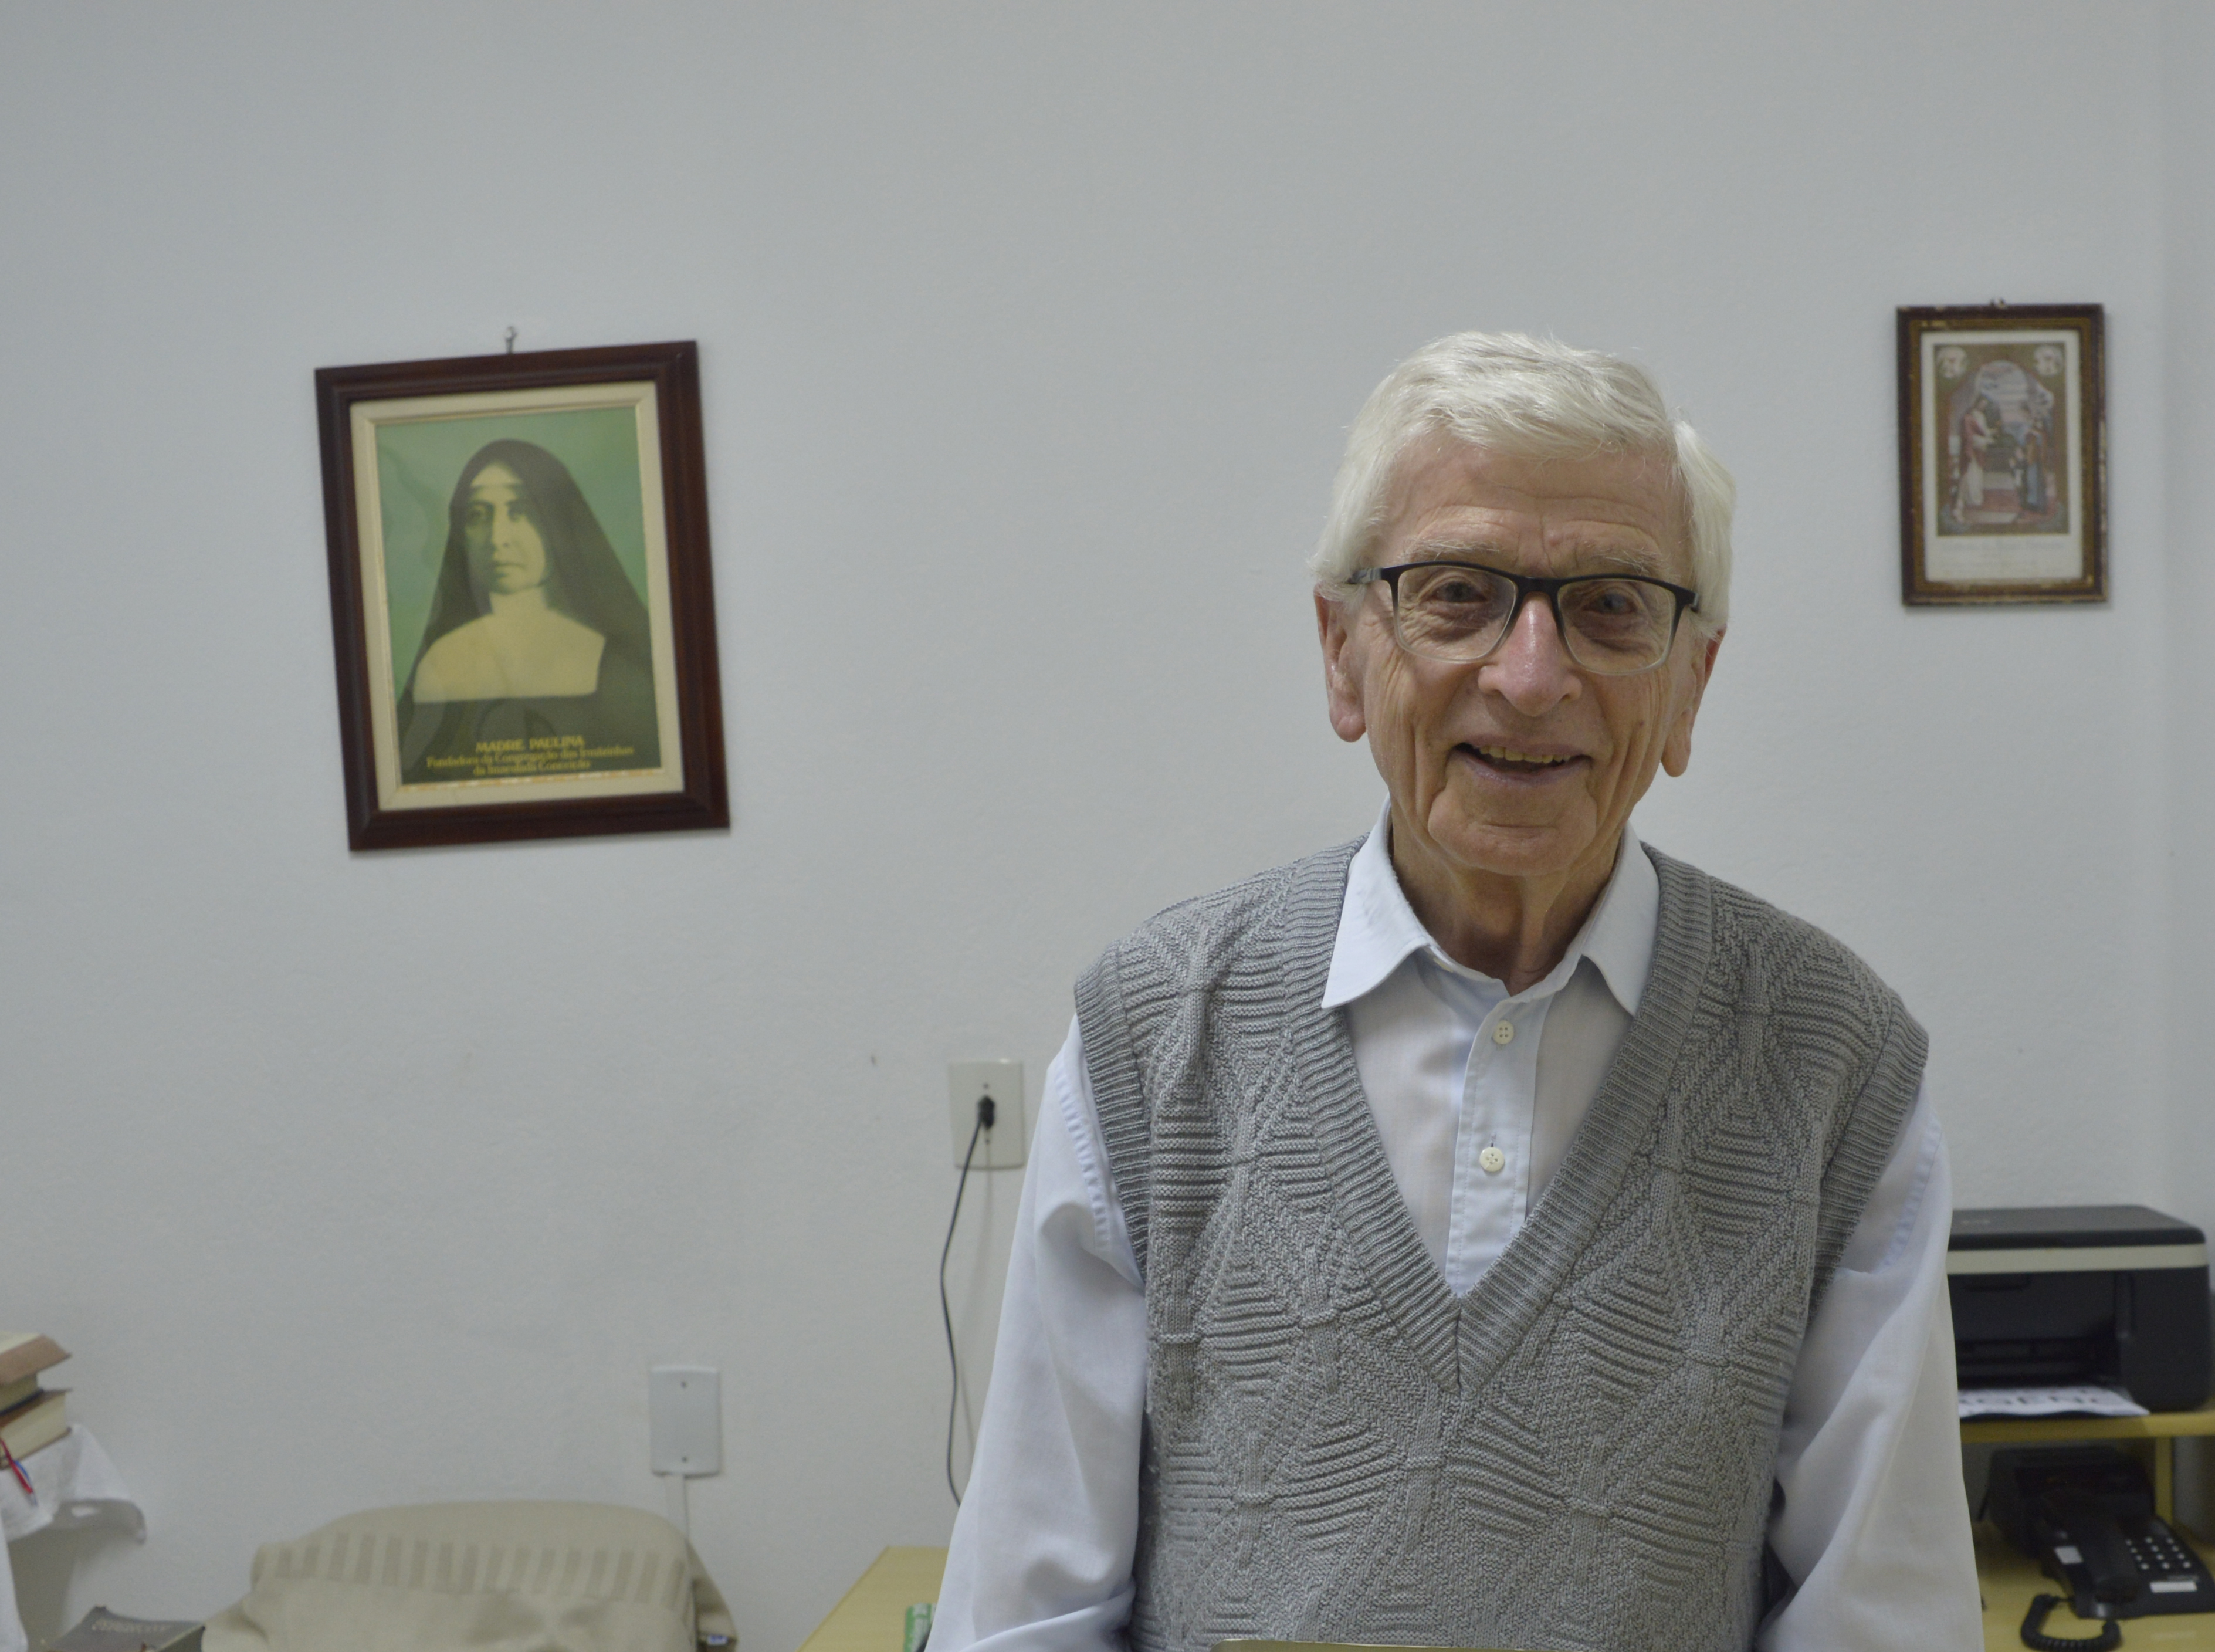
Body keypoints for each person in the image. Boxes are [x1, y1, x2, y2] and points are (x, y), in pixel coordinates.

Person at [934, 334, 1980, 1652]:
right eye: (1456, 594)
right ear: (1341, 653)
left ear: (1689, 685)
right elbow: (1027, 1618)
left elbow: (1881, 1622)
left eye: (1611, 605)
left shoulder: (1832, 1066)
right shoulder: (1152, 1040)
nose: (1530, 676)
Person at [397, 439, 660, 783]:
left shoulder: (620, 664)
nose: (498, 538)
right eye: (477, 515)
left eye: (520, 511)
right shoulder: (440, 664)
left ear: (556, 521)